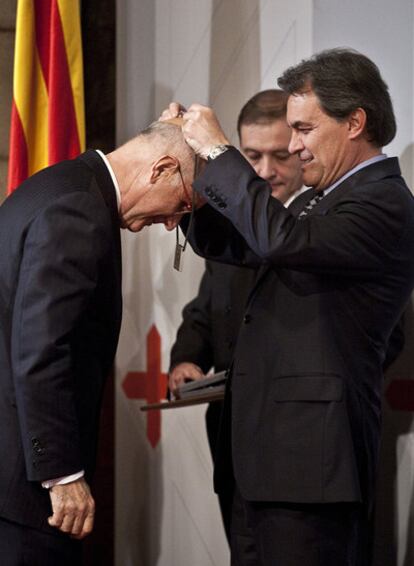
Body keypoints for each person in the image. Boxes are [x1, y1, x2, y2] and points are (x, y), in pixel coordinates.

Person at [165, 48, 414, 565]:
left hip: (312, 472)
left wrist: (220, 150)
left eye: (303, 129)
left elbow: (281, 243)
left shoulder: (383, 202)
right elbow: (241, 244)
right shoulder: (312, 201)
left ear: (355, 123)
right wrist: (188, 177)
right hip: (263, 465)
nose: (295, 146)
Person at [0, 119, 194, 565]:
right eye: (181, 206)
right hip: (27, 491)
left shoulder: (59, 186)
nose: (170, 224)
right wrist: (61, 475)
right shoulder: (79, 209)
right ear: (161, 168)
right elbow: (42, 349)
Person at [168, 89, 304, 542]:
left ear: (303, 146)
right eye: (252, 156)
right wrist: (186, 359)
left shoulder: (320, 226)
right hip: (231, 437)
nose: (266, 171)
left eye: (280, 156)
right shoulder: (232, 229)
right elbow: (206, 311)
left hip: (298, 444)